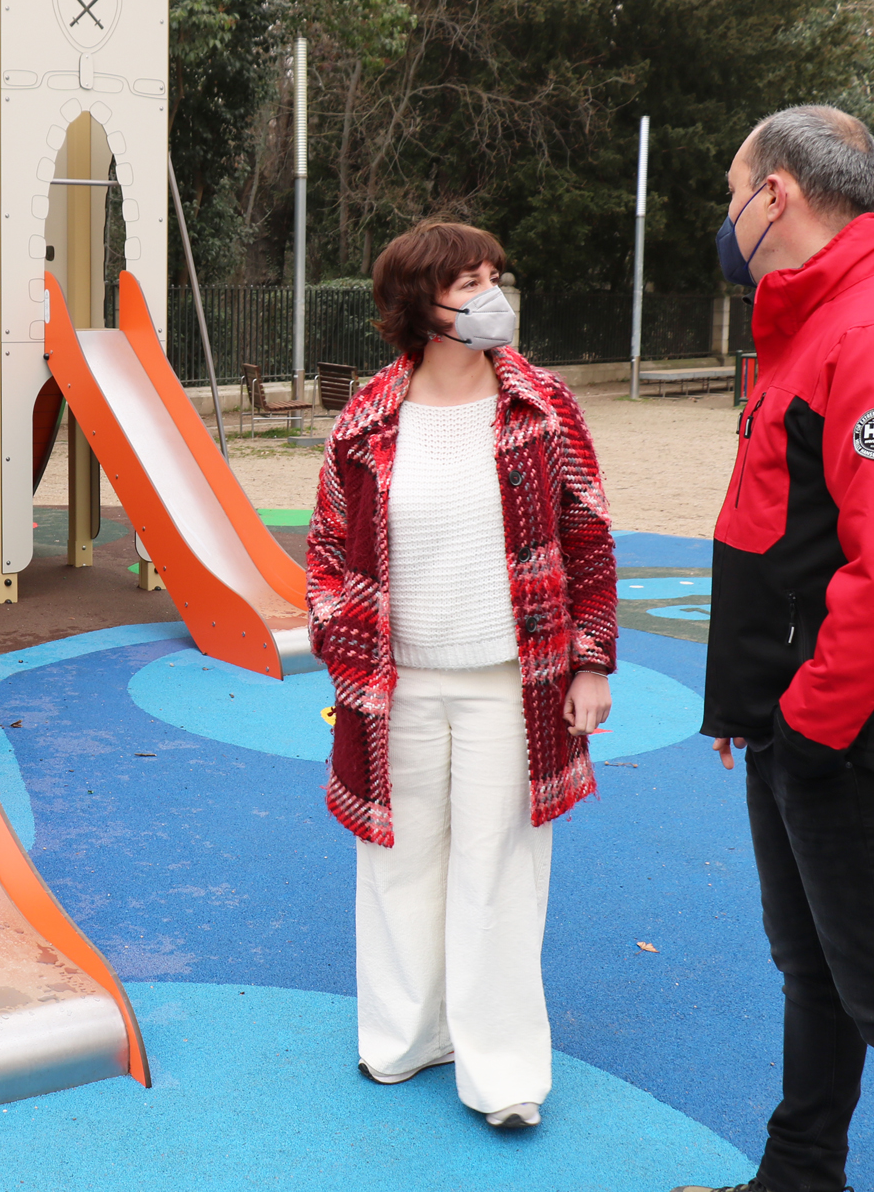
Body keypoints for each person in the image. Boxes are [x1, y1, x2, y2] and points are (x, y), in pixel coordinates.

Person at [669, 106, 874, 1192]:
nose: (726, 218)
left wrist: (807, 724)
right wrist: (750, 704)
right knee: (816, 975)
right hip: (801, 725)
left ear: (777, 195)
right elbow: (785, 531)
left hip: (854, 734)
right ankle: (798, 1175)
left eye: (731, 192)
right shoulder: (813, 325)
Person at [306, 220, 617, 1131]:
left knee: (498, 875)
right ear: (419, 304)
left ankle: (502, 1070)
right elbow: (327, 546)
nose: (491, 296)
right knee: (396, 862)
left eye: (494, 276)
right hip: (392, 685)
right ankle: (403, 1036)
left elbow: (587, 534)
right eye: (467, 282)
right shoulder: (367, 417)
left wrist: (590, 659)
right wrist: (338, 636)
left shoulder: (543, 405)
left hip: (509, 683)